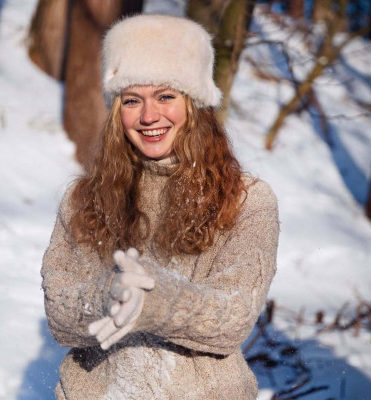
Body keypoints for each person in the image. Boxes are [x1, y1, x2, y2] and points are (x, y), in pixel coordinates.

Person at [41, 14, 279, 400]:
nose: (149, 116)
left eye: (166, 96)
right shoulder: (84, 199)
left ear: (196, 104)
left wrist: (152, 297)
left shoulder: (247, 199)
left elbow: (233, 319)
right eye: (132, 100)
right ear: (117, 111)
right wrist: (109, 295)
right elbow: (60, 315)